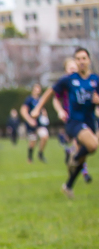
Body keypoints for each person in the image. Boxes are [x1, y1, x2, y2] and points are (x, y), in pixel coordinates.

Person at [33, 47, 99, 198]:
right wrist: (38, 109)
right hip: (74, 122)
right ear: (75, 61)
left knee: (83, 159)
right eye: (78, 59)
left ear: (89, 60)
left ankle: (68, 186)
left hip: (90, 122)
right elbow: (51, 92)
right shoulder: (69, 80)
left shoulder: (95, 80)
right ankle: (74, 157)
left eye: (84, 58)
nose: (81, 62)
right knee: (93, 145)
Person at [20, 83, 49, 163]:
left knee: (45, 136)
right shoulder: (29, 99)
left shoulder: (40, 100)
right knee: (33, 141)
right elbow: (23, 110)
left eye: (39, 89)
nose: (38, 90)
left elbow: (42, 109)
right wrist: (29, 120)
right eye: (36, 88)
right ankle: (29, 158)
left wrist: (44, 115)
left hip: (39, 124)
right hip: (31, 124)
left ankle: (40, 153)